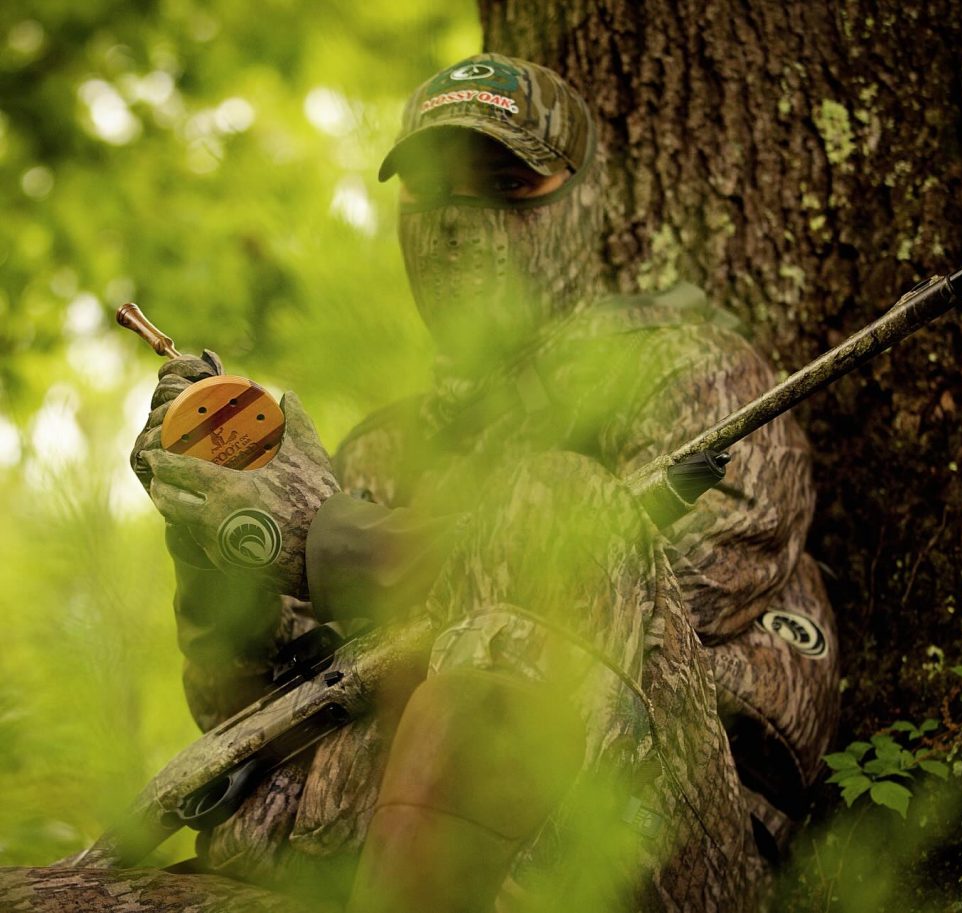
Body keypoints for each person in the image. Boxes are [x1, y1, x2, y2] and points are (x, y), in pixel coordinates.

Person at [0, 54, 838, 913]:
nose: (459, 224)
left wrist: (332, 538)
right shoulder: (382, 448)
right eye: (432, 188)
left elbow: (606, 577)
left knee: (558, 499)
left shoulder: (689, 373)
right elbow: (240, 709)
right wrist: (219, 528)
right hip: (327, 864)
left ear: (584, 206)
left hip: (616, 851)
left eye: (504, 184)